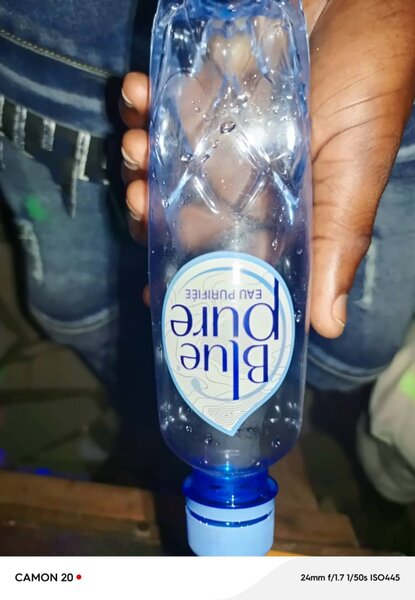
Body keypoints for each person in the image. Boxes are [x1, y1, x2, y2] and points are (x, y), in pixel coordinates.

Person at [0, 0, 414, 546]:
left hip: (85, 50)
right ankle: (148, 417)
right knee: (76, 307)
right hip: (61, 52)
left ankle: (193, 425)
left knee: (354, 352)